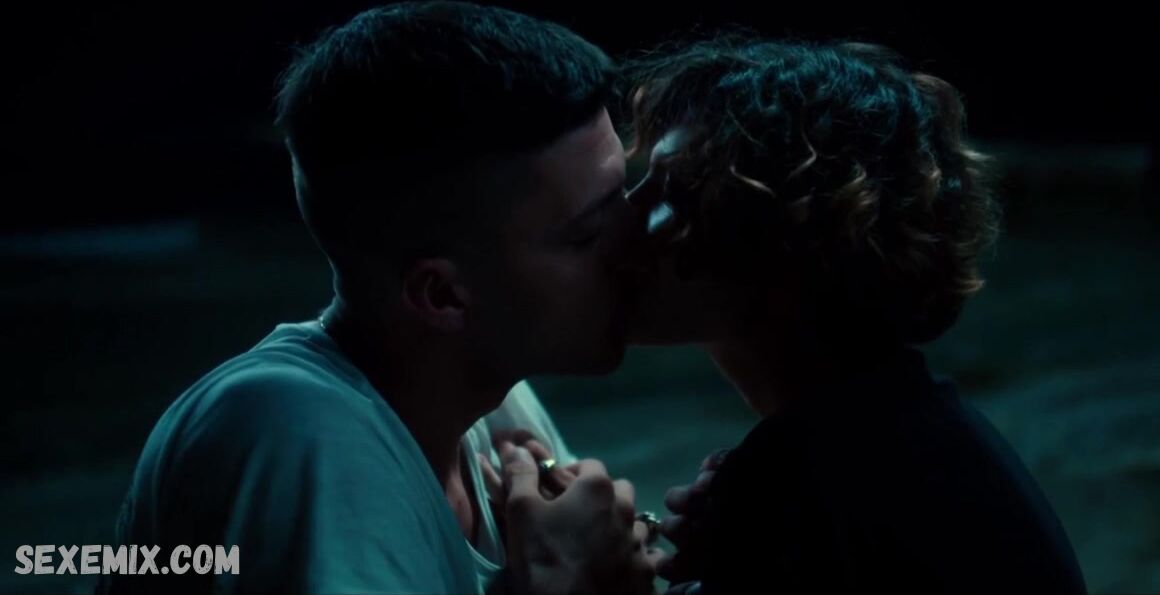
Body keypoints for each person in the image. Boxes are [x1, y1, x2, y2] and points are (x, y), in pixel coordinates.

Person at [100, 3, 658, 593]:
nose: (637, 247)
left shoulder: (493, 404)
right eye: (587, 234)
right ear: (442, 295)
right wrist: (571, 580)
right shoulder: (301, 435)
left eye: (624, 200)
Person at [620, 37, 1088, 593]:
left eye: (672, 191)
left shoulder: (805, 473)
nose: (627, 212)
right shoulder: (913, 433)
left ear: (778, 236)